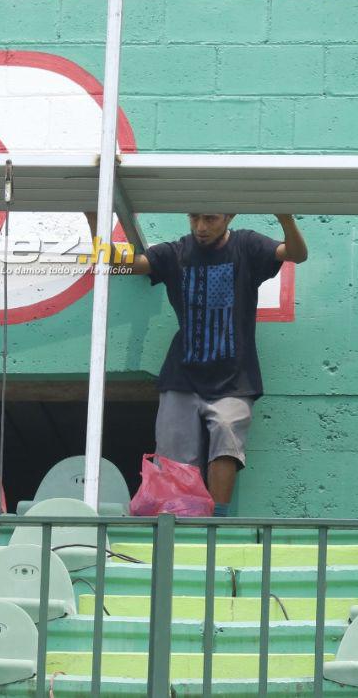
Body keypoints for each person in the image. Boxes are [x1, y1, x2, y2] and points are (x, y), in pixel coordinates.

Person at [111, 212, 307, 516]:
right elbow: (119, 265)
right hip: (182, 376)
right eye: (194, 218)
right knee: (174, 456)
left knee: (227, 435)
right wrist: (94, 219)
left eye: (211, 219)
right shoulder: (175, 252)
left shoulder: (246, 245)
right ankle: (176, 522)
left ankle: (217, 523)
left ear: (229, 216)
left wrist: (286, 219)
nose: (201, 227)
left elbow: (297, 254)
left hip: (234, 378)